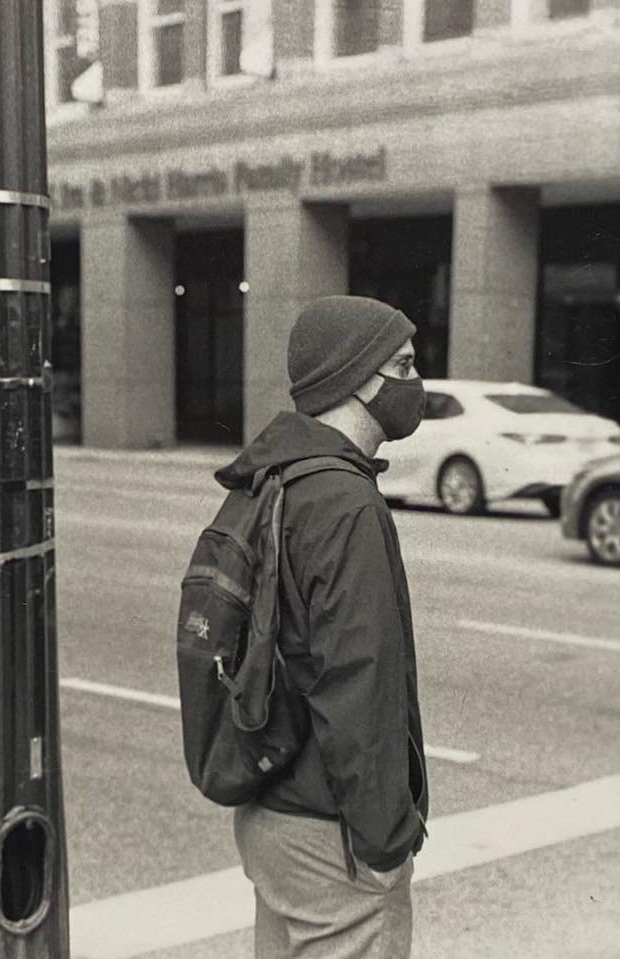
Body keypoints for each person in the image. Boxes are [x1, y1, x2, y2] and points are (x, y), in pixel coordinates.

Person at [214, 295, 430, 959]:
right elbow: (356, 684)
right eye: (403, 363)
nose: (415, 381)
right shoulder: (345, 501)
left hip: (272, 813)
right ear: (356, 377)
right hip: (330, 836)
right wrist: (386, 843)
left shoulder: (272, 479)